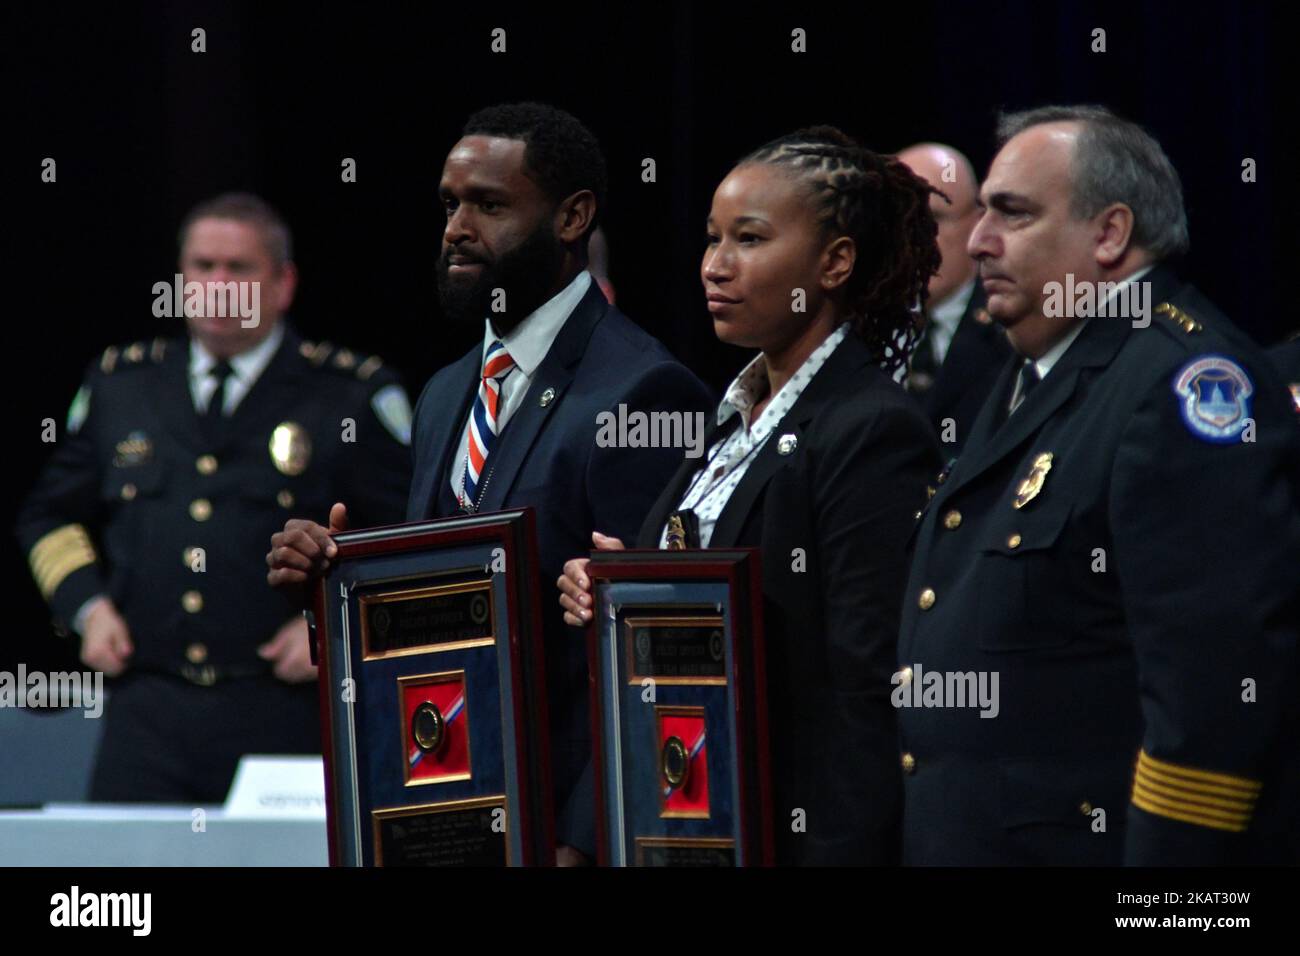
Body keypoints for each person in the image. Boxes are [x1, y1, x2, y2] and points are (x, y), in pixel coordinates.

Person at [266, 103, 713, 864]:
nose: (457, 228)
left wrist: (586, 837)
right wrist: (339, 580)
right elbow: (447, 608)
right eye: (450, 204)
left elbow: (655, 656)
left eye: (491, 205)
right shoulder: (446, 391)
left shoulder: (645, 391)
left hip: (564, 831)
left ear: (573, 217)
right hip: (446, 812)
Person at [898, 105, 1300, 865]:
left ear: (1110, 234)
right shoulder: (1034, 370)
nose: (978, 241)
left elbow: (1213, 698)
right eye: (980, 212)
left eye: (1011, 215)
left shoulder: (1183, 385)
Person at [558, 126, 943, 864]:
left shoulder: (871, 428)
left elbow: (865, 693)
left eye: (751, 240)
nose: (717, 267)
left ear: (833, 263)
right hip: (685, 814)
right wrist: (613, 587)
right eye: (711, 240)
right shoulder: (730, 415)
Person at [16, 192, 412, 802]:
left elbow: (414, 534)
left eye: (239, 268)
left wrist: (335, 627)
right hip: (146, 711)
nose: (219, 283)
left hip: (286, 712)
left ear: (283, 283)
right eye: (203, 267)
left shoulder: (349, 396)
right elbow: (48, 515)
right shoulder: (122, 386)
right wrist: (86, 609)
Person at [896, 143, 1011, 452]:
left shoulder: (1014, 329)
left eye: (933, 218)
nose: (914, 239)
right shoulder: (847, 329)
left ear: (977, 223)